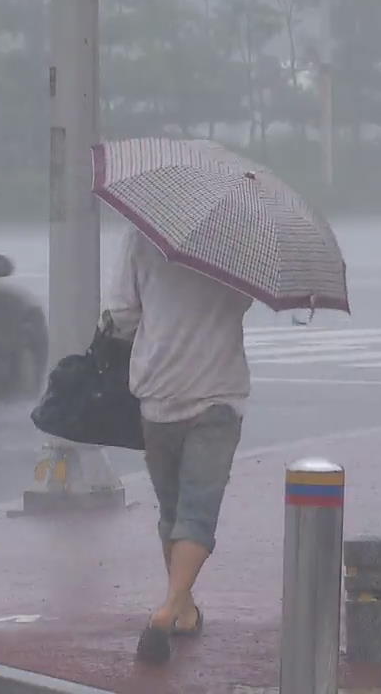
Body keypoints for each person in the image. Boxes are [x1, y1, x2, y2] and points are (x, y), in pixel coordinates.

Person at [106, 224, 254, 665]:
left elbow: (121, 312)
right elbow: (242, 300)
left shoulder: (141, 235)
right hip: (217, 393)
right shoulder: (240, 241)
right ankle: (173, 608)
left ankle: (182, 608)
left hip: (158, 394)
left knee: (171, 511)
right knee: (197, 512)